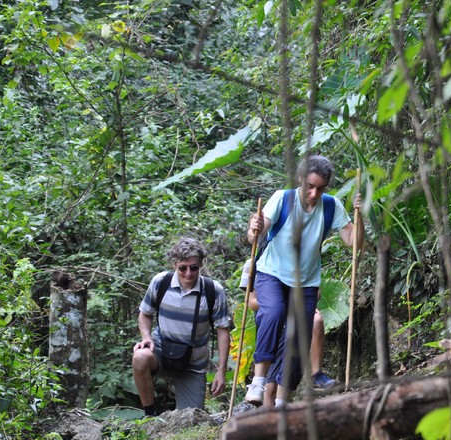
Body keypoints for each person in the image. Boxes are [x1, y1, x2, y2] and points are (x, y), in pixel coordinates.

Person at [244, 155, 364, 408]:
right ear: (300, 180)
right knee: (274, 312)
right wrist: (254, 227)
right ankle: (258, 380)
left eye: (320, 188)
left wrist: (360, 215)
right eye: (309, 186)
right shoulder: (282, 198)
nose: (313, 193)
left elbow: (354, 242)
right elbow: (258, 231)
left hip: (306, 281)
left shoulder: (331, 206)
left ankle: (281, 403)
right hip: (271, 273)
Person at [132, 238, 231, 416]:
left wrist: (221, 370)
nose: (188, 273)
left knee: (191, 419)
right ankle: (150, 414)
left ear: (201, 265)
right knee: (140, 357)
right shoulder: (160, 282)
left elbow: (223, 330)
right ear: (175, 264)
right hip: (161, 351)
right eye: (182, 268)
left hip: (192, 364)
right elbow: (145, 314)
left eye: (194, 268)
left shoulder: (213, 290)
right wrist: (146, 337)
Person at [238, 258, 338, 406]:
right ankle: (266, 423)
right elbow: (252, 303)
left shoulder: (298, 258)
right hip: (271, 326)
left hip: (294, 321)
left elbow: (315, 294)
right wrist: (279, 301)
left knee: (285, 378)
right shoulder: (254, 262)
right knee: (270, 386)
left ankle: (315, 374)